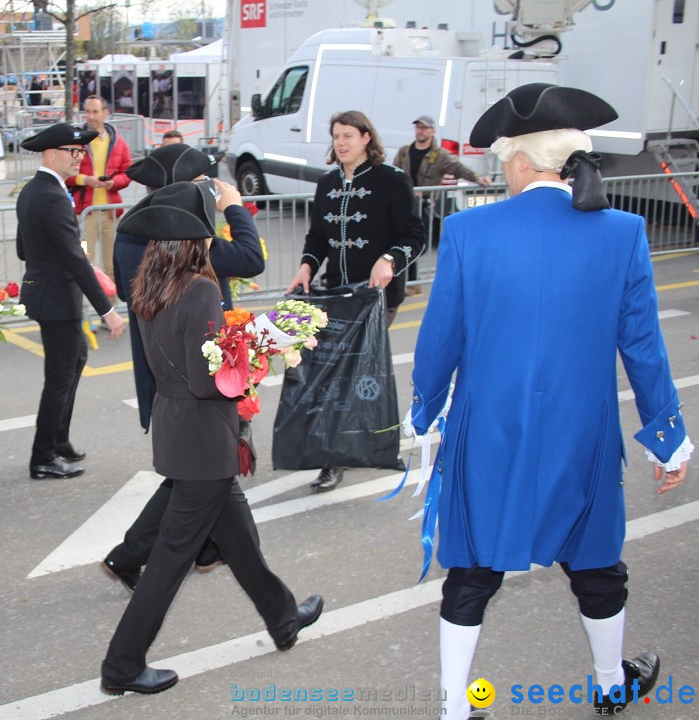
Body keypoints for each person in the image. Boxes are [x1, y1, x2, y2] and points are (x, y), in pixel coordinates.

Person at [408, 83, 691, 719]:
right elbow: (642, 347)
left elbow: (439, 339)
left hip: (489, 432)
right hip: (579, 432)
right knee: (595, 566)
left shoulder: (467, 230)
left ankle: (456, 710)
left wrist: (422, 411)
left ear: (519, 160)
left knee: (473, 573)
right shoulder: (622, 233)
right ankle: (610, 684)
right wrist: (668, 437)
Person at [99, 181, 323, 696]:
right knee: (168, 564)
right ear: (197, 237)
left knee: (240, 542)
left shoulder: (149, 285)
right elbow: (209, 379)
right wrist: (260, 350)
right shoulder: (198, 289)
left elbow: (179, 365)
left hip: (182, 432)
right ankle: (121, 665)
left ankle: (283, 618)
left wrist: (239, 342)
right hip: (204, 441)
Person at [103, 144, 265, 592]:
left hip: (161, 364)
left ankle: (211, 552)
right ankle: (140, 556)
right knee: (206, 468)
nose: (213, 191)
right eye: (208, 184)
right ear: (191, 187)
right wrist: (235, 209)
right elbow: (252, 258)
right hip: (201, 369)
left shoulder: (133, 228)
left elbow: (123, 285)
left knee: (196, 474)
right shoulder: (187, 237)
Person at [285, 110, 424, 491]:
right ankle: (340, 454)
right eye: (336, 136)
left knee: (359, 373)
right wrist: (306, 268)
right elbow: (317, 238)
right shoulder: (326, 184)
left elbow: (415, 235)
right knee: (339, 376)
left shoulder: (392, 181)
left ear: (366, 137)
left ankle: (370, 448)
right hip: (335, 297)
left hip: (377, 298)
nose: (341, 143)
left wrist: (389, 259)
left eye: (348, 135)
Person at [15, 123, 126, 480]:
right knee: (59, 378)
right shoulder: (50, 195)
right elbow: (73, 259)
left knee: (75, 358)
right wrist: (107, 310)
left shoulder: (36, 189)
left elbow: (22, 248)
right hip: (56, 299)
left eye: (81, 152)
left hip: (50, 292)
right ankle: (42, 457)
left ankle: (59, 440)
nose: (81, 158)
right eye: (74, 152)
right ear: (51, 154)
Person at [392, 115, 491, 291]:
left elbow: (458, 168)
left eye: (424, 128)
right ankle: (407, 282)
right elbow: (394, 173)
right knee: (400, 240)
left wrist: (477, 178)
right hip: (403, 203)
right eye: (418, 128)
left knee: (415, 243)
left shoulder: (440, 155)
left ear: (432, 131)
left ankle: (413, 283)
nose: (420, 131)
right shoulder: (404, 151)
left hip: (424, 205)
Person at [74, 96, 132, 278]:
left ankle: (111, 305)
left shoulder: (119, 143)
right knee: (84, 263)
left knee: (112, 265)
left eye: (95, 112)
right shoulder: (76, 141)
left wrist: (114, 183)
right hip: (85, 213)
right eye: (87, 112)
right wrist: (85, 180)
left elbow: (128, 172)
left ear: (105, 113)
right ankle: (84, 307)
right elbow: (66, 174)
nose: (90, 117)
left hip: (110, 213)